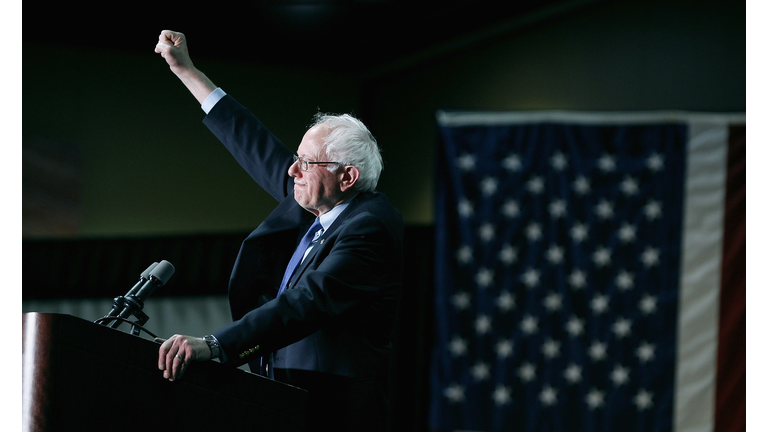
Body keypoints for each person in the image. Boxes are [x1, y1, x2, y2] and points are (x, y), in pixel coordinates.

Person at [153, 30, 403, 431]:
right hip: (287, 399)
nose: (292, 170)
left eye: (305, 162)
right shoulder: (319, 198)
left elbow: (307, 302)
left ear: (347, 176)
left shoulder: (369, 226)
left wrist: (216, 345)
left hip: (333, 411)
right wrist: (187, 70)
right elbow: (252, 143)